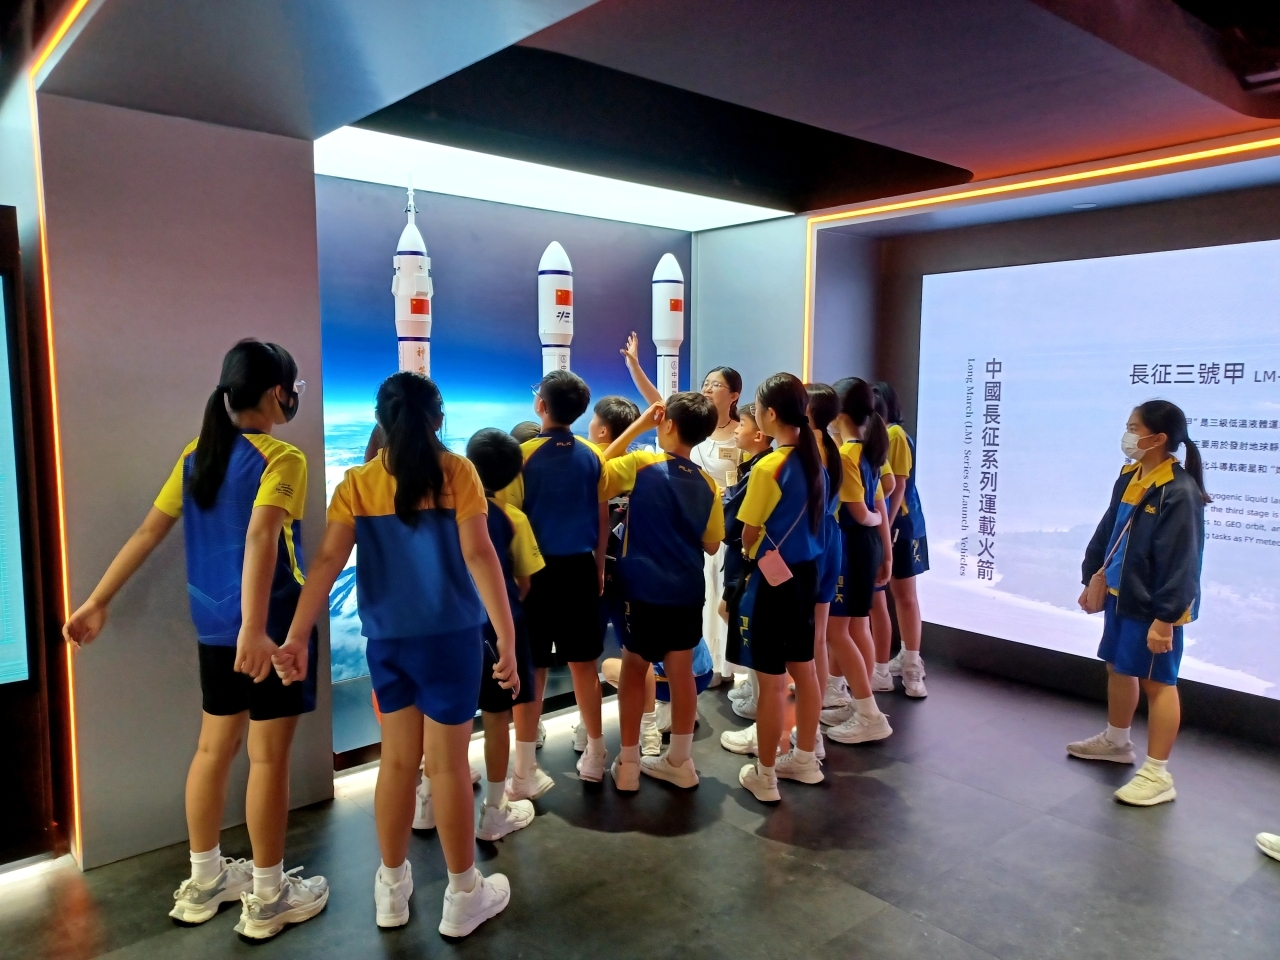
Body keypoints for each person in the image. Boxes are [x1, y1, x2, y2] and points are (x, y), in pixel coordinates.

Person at [62, 340, 327, 940]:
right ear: (276, 393)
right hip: (270, 630)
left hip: (213, 627)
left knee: (213, 750)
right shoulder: (281, 457)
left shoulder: (195, 455)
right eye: (294, 388)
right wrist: (256, 629)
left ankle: (205, 881)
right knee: (267, 758)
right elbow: (262, 537)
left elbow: (148, 532)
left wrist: (98, 600)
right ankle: (268, 895)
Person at [279, 372, 517, 936]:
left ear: (381, 422)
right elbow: (480, 555)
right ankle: (463, 894)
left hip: (388, 643)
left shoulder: (357, 483)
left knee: (397, 762)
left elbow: (326, 563)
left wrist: (295, 635)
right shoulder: (459, 473)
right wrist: (506, 635)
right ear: (438, 419)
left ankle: (390, 888)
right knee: (449, 765)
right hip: (451, 641)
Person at [1067, 400, 1207, 807]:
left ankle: (1157, 774)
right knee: (1117, 666)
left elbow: (1183, 561)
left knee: (1158, 683)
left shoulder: (1179, 491)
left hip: (1153, 606)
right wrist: (1091, 575)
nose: (1127, 436)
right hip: (1120, 593)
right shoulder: (1131, 474)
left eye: (1133, 428)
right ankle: (1117, 741)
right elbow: (1109, 529)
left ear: (1158, 438)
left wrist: (1165, 618)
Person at [599, 393, 724, 791]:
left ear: (666, 423)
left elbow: (597, 472)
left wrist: (638, 427)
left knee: (634, 669)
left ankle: (629, 764)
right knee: (680, 671)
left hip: (641, 588)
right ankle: (679, 762)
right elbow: (712, 544)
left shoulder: (641, 463)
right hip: (687, 589)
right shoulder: (708, 484)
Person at [496, 370, 611, 790]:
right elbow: (602, 515)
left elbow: (509, 520)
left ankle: (525, 767)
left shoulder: (521, 455)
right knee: (585, 665)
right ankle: (596, 753)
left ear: (540, 405)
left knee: (533, 668)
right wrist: (598, 565)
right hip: (580, 568)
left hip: (534, 575)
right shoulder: (592, 454)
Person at [728, 373, 826, 802]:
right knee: (805, 669)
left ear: (769, 414)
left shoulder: (770, 466)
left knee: (771, 683)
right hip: (805, 575)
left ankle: (765, 775)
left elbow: (748, 532)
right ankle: (805, 758)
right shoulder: (816, 461)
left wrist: (747, 551)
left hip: (771, 580)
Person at [623, 333, 741, 685]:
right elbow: (659, 406)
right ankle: (707, 667)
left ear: (734, 395)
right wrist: (635, 366)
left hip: (714, 521)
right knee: (700, 607)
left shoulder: (743, 433)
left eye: (716, 384)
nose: (708, 388)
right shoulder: (690, 423)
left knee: (719, 597)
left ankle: (723, 665)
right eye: (706, 383)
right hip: (695, 525)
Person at [463, 428, 542, 841]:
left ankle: (429, 795)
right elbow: (525, 581)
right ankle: (494, 810)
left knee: (450, 714)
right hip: (500, 631)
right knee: (497, 717)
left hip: (454, 629)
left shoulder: (450, 512)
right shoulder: (514, 518)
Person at [820, 378, 893, 745]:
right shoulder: (868, 452)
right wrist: (886, 551)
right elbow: (879, 503)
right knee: (855, 627)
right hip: (864, 547)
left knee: (837, 632)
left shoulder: (847, 456)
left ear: (839, 414)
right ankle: (859, 703)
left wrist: (875, 522)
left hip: (850, 547)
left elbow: (862, 512)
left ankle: (868, 713)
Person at [573, 396, 642, 752]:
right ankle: (644, 731)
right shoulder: (641, 465)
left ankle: (589, 731)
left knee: (585, 660)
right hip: (633, 576)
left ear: (601, 430)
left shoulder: (585, 462)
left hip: (591, 575)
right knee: (637, 656)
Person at [875, 381, 929, 698]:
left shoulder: (894, 434)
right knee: (898, 595)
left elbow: (897, 485)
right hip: (900, 524)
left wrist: (886, 525)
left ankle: (912, 666)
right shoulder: (888, 434)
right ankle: (905, 659)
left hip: (902, 525)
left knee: (904, 595)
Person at [724, 404, 773, 720]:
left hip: (749, 559)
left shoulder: (762, 468)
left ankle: (759, 696)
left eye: (741, 424)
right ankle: (754, 685)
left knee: (747, 623)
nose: (736, 430)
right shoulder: (760, 464)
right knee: (732, 613)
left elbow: (738, 522)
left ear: (758, 434)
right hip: (749, 558)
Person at [600, 638, 714, 754]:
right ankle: (680, 713)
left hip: (667, 682)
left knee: (610, 666)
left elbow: (642, 661)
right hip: (704, 675)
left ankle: (651, 728)